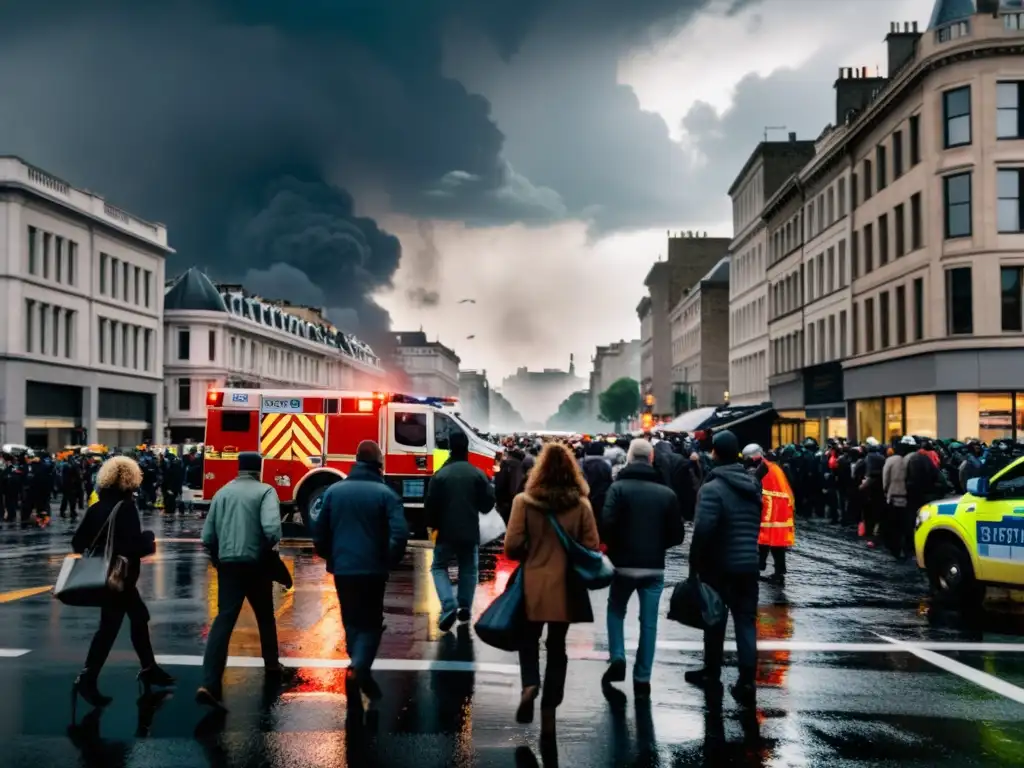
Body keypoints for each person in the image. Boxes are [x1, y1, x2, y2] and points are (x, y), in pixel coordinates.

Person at [504, 442, 600, 738]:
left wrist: (532, 551)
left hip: (533, 582)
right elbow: (592, 546)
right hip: (567, 585)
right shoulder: (581, 504)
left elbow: (511, 547)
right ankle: (550, 706)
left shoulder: (523, 501)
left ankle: (530, 683)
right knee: (557, 647)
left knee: (528, 639)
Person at [70, 456, 174, 713]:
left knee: (137, 618)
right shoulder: (126, 508)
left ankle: (148, 668)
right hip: (121, 579)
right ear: (130, 479)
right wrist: (148, 540)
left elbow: (78, 543)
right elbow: (132, 547)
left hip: (105, 577)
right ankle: (87, 678)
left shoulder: (96, 508)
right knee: (111, 629)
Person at [314, 440, 408, 704]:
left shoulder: (334, 491)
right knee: (371, 624)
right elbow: (400, 534)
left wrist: (330, 556)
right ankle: (359, 668)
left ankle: (357, 665)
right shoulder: (387, 494)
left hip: (343, 568)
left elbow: (320, 530)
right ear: (379, 465)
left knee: (351, 621)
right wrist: (387, 559)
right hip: (372, 570)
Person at [197, 451, 285, 712]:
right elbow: (271, 529)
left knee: (224, 619)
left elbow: (208, 535)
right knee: (265, 616)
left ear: (239, 469)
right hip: (256, 565)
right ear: (259, 469)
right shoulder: (265, 491)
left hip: (228, 566)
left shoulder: (222, 492)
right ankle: (271, 664)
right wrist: (265, 551)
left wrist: (218, 558)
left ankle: (209, 683)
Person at [600, 438, 684, 697]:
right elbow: (677, 534)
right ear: (651, 459)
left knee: (616, 609)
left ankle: (617, 656)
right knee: (649, 623)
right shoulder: (667, 494)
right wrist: (657, 545)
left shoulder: (618, 488)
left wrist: (615, 547)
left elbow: (606, 523)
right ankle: (642, 676)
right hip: (653, 567)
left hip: (622, 564)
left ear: (628, 458)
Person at [685, 430, 763, 707]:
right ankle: (747, 680)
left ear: (715, 452)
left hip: (718, 565)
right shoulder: (753, 485)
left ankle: (711, 671)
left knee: (714, 620)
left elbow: (703, 530)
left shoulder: (712, 488)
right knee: (745, 622)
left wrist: (694, 565)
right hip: (748, 564)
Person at [425, 431, 496, 632]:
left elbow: (430, 505)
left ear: (449, 447)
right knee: (469, 569)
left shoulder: (440, 475)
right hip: (469, 532)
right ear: (467, 448)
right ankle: (465, 605)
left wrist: (432, 526)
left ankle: (448, 605)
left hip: (445, 532)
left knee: (439, 567)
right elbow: (487, 505)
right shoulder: (477, 474)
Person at [742, 443, 795, 586]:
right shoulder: (772, 466)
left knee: (770, 542)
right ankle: (772, 569)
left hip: (772, 509)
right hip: (777, 508)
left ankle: (771, 570)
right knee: (771, 542)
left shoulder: (763, 468)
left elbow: (755, 486)